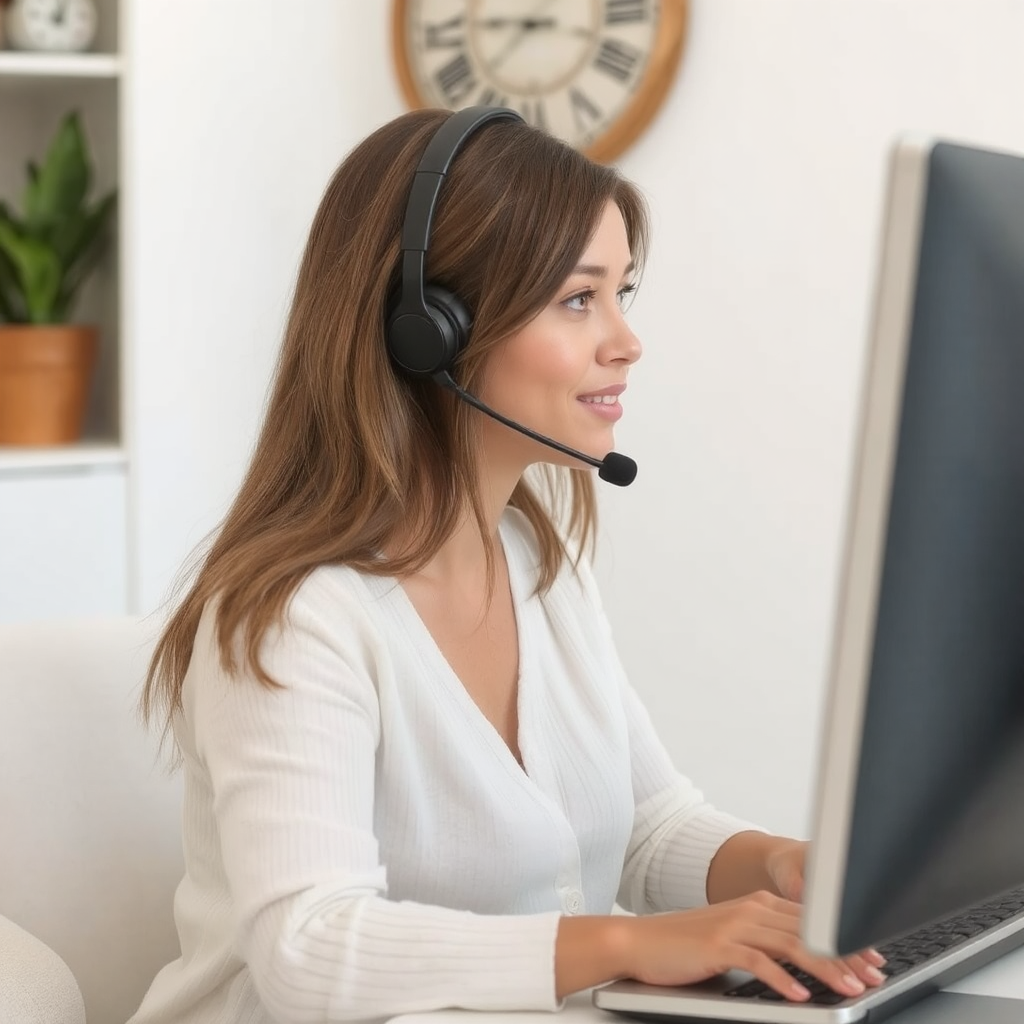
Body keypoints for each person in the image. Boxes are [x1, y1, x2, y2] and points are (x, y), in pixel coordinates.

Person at [129, 107, 885, 1024]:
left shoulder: (538, 562)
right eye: (579, 299)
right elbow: (312, 949)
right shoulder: (301, 614)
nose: (625, 340)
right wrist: (635, 944)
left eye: (623, 294)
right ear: (428, 332)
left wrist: (781, 869)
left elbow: (646, 830)